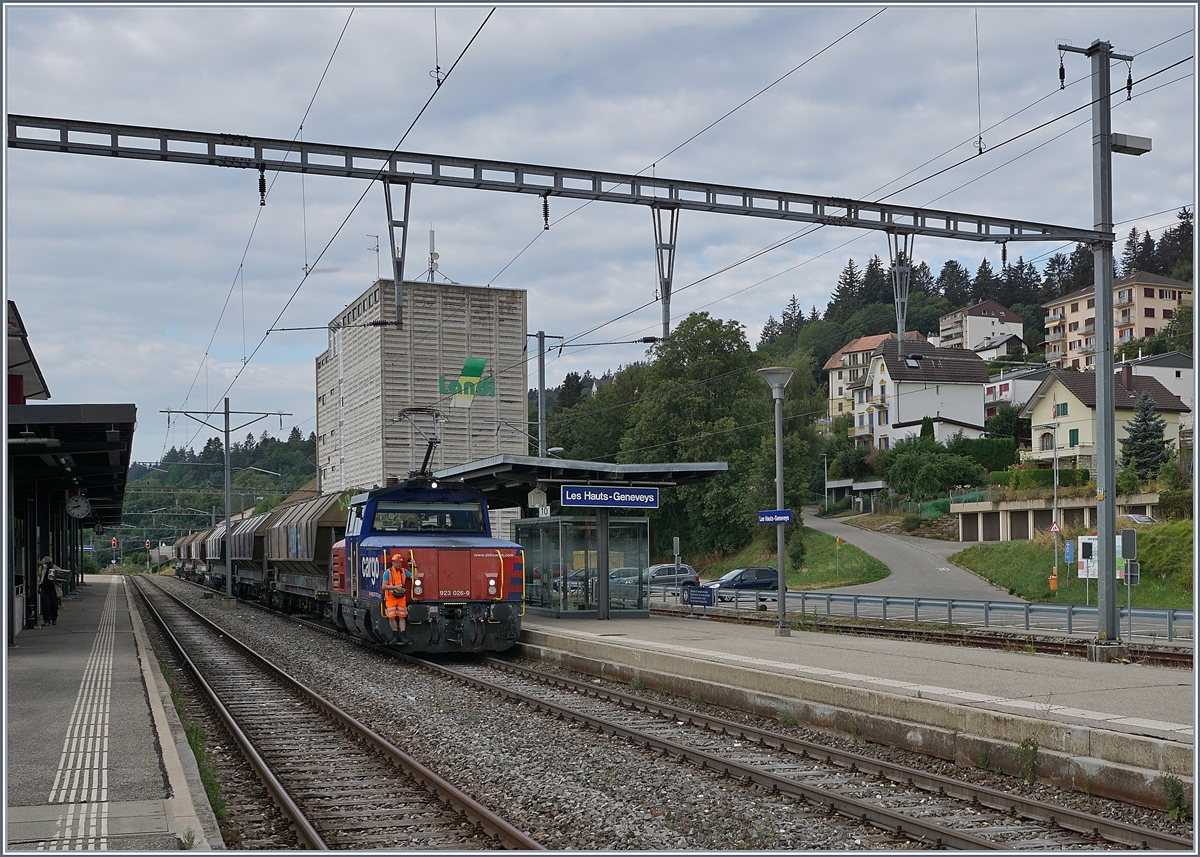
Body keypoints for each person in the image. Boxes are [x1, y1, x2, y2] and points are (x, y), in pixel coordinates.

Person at [381, 552, 413, 642]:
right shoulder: (387, 572)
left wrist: (414, 567)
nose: (399, 564)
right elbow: (384, 586)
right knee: (391, 617)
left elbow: (415, 577)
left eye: (400, 562)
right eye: (397, 562)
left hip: (401, 598)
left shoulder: (404, 571)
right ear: (393, 563)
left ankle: (402, 635)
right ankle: (395, 635)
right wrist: (396, 588)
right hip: (391, 598)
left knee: (402, 616)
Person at [37, 556, 59, 626]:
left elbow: (61, 578)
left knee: (54, 605)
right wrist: (39, 583)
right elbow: (38, 576)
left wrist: (56, 580)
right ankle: (46, 620)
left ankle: (54, 619)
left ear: (49, 563)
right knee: (45, 604)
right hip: (44, 589)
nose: (44, 565)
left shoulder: (56, 569)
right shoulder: (41, 568)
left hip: (53, 589)